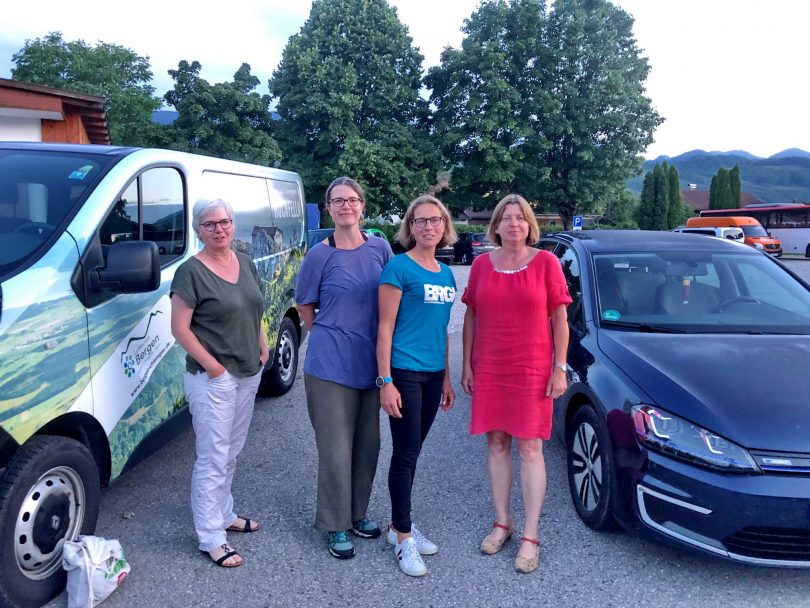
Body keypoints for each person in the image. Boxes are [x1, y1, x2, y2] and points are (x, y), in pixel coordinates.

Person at [461, 193, 571, 574]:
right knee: (495, 442)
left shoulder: (546, 263)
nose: (513, 224)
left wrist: (560, 368)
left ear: (529, 225)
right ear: (495, 225)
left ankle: (531, 535)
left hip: (532, 367)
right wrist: (467, 364)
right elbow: (471, 317)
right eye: (506, 218)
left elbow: (560, 320)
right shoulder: (480, 265)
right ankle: (502, 522)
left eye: (520, 217)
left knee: (530, 447)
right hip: (491, 366)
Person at [295, 176, 393, 559]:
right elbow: (305, 305)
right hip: (329, 366)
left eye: (352, 200)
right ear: (329, 208)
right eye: (338, 201)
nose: (346, 206)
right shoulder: (319, 255)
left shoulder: (380, 248)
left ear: (362, 205)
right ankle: (334, 524)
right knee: (336, 450)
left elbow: (392, 298)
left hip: (371, 364)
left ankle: (357, 514)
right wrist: (330, 333)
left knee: (368, 446)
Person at [170, 198, 270, 568]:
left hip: (247, 371)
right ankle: (211, 536)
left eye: (224, 222)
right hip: (213, 379)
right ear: (198, 230)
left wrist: (262, 345)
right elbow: (179, 329)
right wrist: (214, 368)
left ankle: (224, 514)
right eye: (210, 224)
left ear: (233, 224)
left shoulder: (244, 261)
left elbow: (254, 308)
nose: (219, 229)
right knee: (213, 457)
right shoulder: (190, 272)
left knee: (231, 451)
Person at [377, 194, 457, 577]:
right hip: (404, 372)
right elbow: (384, 328)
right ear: (410, 226)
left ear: (444, 226)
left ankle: (399, 525)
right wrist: (385, 381)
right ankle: (403, 537)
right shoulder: (398, 268)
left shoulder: (446, 273)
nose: (428, 226)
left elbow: (442, 330)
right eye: (420, 220)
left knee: (414, 451)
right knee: (405, 453)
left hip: (433, 374)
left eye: (435, 220)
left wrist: (447, 378)